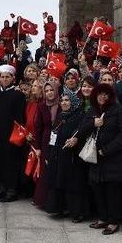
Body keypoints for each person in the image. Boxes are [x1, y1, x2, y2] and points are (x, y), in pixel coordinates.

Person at [77, 83, 122, 235]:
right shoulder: (93, 111)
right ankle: (102, 218)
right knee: (97, 189)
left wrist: (107, 150)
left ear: (110, 96)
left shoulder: (119, 111)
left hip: (114, 160)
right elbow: (81, 130)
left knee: (112, 191)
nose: (102, 97)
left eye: (105, 94)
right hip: (95, 159)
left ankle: (113, 221)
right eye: (100, 94)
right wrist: (93, 123)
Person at [44, 92, 88, 221]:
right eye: (62, 100)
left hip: (72, 157)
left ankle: (77, 212)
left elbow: (81, 135)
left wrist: (75, 140)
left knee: (73, 184)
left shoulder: (79, 117)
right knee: (59, 181)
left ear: (73, 102)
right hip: (58, 155)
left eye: (67, 100)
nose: (64, 102)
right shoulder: (60, 117)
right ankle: (59, 208)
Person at [0, 64, 26, 202]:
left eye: (7, 77)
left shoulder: (18, 95)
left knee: (12, 162)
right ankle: (2, 188)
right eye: (2, 77)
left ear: (13, 78)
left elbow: (20, 117)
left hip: (12, 134)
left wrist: (17, 133)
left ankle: (12, 190)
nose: (5, 79)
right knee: (0, 161)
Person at [32, 80, 60, 207]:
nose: (49, 93)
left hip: (60, 140)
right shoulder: (42, 106)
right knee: (44, 170)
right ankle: (43, 200)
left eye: (51, 90)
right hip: (45, 141)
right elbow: (38, 127)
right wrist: (37, 147)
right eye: (47, 90)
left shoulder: (62, 104)